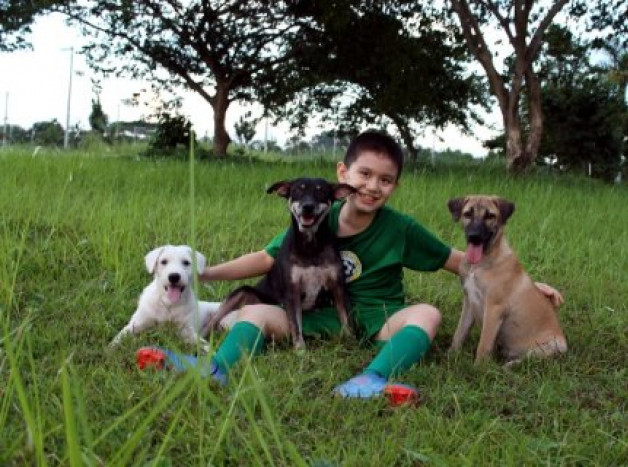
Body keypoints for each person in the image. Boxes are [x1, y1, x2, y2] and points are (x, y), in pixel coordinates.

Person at [137, 130, 563, 398]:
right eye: (364, 174)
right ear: (343, 175)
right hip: (317, 318)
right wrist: (203, 271)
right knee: (252, 310)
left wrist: (523, 283)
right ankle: (214, 368)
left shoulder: (400, 228)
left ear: (394, 186)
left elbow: (459, 261)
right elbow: (265, 259)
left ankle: (371, 380)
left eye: (385, 180)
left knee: (428, 313)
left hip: (381, 319)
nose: (372, 186)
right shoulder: (315, 219)